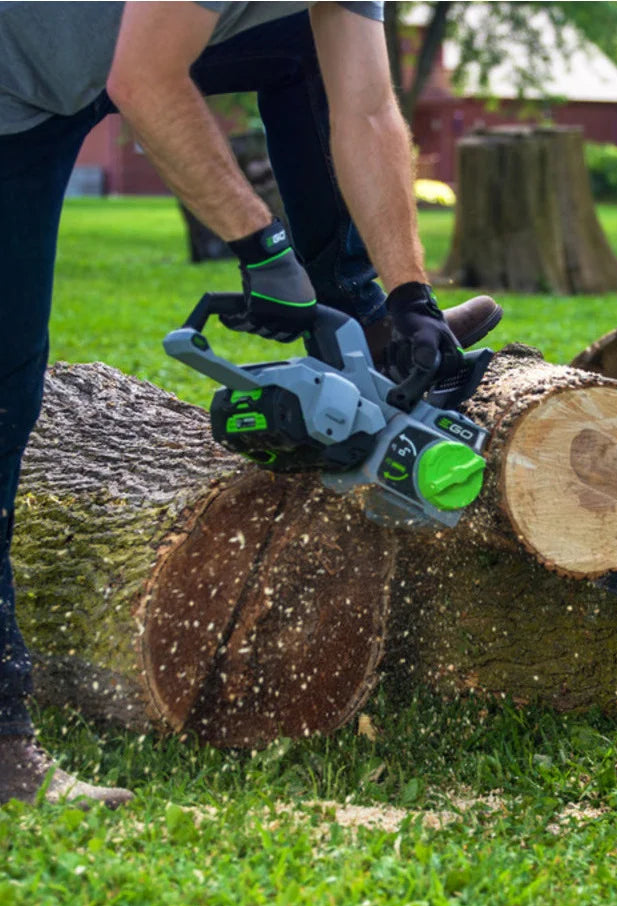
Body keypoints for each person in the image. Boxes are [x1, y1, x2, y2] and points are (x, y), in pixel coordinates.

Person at [0, 1, 502, 808]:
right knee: (4, 392)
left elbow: (367, 107)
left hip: (92, 66)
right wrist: (258, 244)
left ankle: (365, 317)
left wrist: (411, 294)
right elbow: (144, 77)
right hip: (17, 90)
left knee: (306, 46)